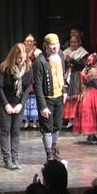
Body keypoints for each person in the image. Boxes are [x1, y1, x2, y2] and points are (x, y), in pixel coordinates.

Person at [0, 43, 32, 170]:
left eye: (23, 58)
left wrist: (21, 105)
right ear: (13, 57)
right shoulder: (5, 68)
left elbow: (27, 88)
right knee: (6, 131)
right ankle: (7, 160)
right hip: (5, 103)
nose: (21, 61)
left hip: (18, 104)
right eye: (18, 59)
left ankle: (15, 159)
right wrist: (6, 105)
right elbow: (0, 87)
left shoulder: (27, 69)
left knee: (16, 132)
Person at [33, 33, 67, 161]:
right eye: (52, 44)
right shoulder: (40, 62)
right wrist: (42, 106)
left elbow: (62, 75)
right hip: (47, 99)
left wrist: (64, 91)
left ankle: (54, 148)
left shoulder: (61, 55)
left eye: (57, 44)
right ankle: (49, 153)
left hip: (58, 97)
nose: (55, 47)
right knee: (47, 127)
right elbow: (37, 86)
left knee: (57, 125)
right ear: (46, 46)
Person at [62, 35, 89, 126]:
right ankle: (69, 119)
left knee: (76, 95)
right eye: (71, 42)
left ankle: (77, 119)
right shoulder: (66, 51)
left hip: (77, 76)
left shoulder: (82, 52)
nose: (73, 44)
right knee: (68, 96)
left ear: (79, 43)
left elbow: (83, 65)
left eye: (75, 42)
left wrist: (72, 60)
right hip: (68, 75)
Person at [22, 34, 43, 130]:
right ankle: (26, 121)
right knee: (26, 98)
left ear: (34, 42)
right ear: (24, 42)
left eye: (31, 41)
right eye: (27, 41)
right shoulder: (22, 51)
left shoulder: (38, 52)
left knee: (34, 98)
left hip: (35, 76)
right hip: (25, 76)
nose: (29, 43)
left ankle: (34, 121)